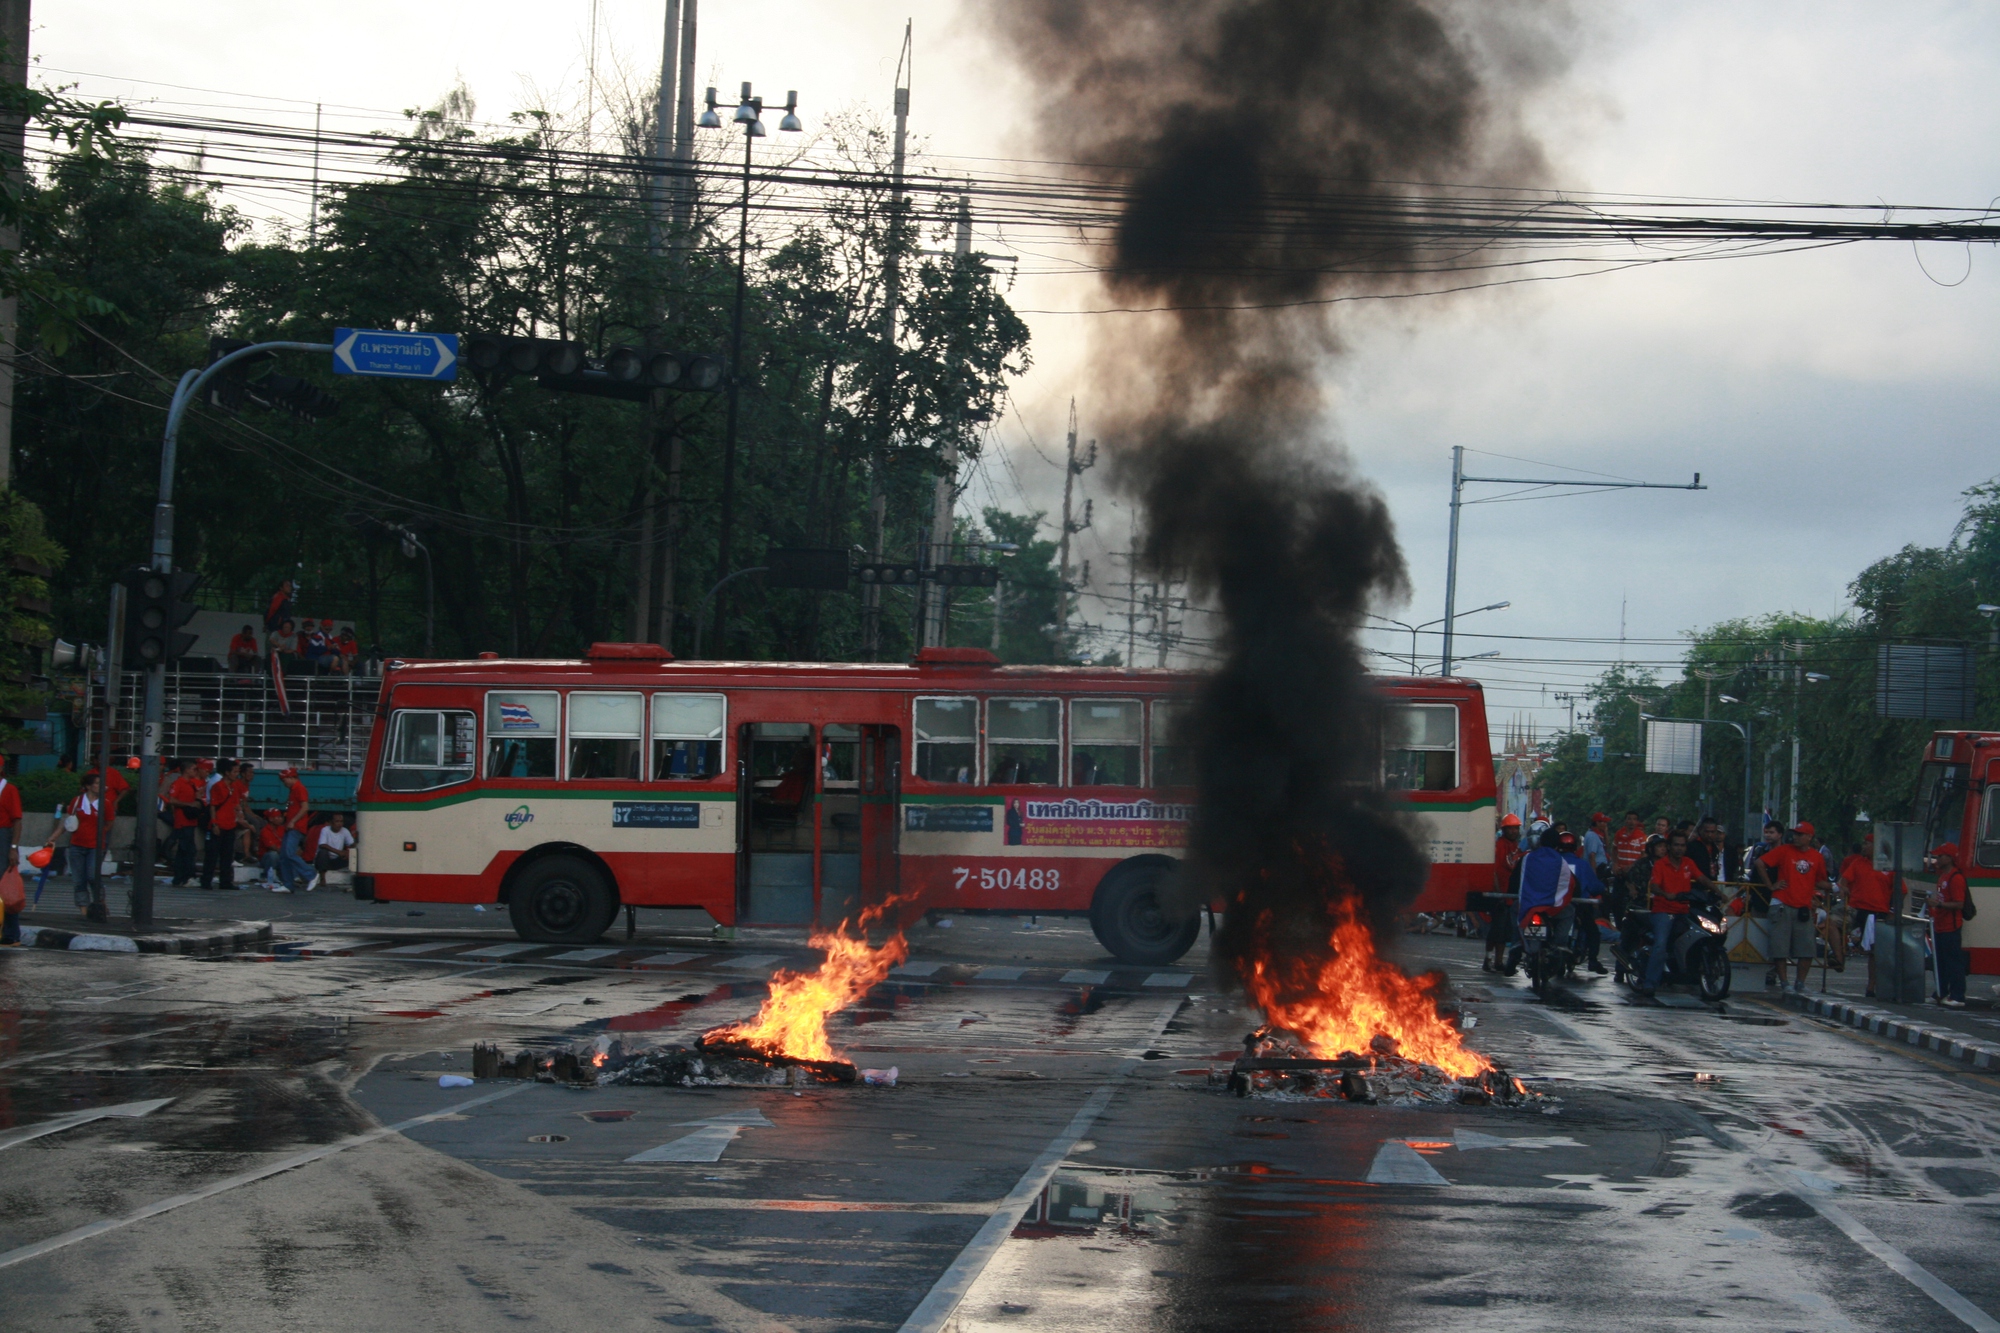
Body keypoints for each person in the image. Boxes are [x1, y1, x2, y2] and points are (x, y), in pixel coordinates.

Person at [1757, 822, 1831, 995]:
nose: (1796, 837)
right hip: (1782, 903)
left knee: (1807, 948)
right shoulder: (1784, 850)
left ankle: (1800, 982)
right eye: (1795, 834)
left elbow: (1819, 881)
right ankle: (1784, 982)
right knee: (1779, 948)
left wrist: (1833, 887)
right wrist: (1770, 885)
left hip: (1803, 906)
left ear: (1809, 837)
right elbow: (1760, 863)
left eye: (1800, 834)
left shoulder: (1816, 857)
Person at [1641, 829, 1716, 996]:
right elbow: (1653, 885)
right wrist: (1665, 894)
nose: (1679, 848)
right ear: (1669, 846)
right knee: (1660, 945)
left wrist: (1717, 891)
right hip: (1663, 911)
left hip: (1684, 910)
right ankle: (1650, 982)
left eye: (1682, 845)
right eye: (1676, 845)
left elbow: (1702, 878)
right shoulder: (1661, 865)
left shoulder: (1688, 863)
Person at [1840, 840, 1892, 998]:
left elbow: (1900, 890)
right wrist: (1845, 894)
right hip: (1857, 910)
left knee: (1875, 951)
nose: (1864, 847)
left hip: (1878, 912)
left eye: (1868, 844)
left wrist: (1893, 910)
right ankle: (1838, 955)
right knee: (1834, 924)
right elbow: (1843, 882)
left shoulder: (1888, 867)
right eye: (1863, 843)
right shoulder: (1858, 863)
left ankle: (1872, 985)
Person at [51, 771, 105, 922]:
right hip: (77, 845)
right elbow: (68, 822)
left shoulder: (104, 803)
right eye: (97, 783)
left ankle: (100, 902)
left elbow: (109, 823)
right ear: (88, 786)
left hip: (95, 846)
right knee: (78, 879)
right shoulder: (77, 802)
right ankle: (83, 909)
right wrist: (53, 837)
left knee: (92, 876)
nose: (100, 787)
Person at [1486, 813, 1526, 973]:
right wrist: (1497, 892)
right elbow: (1493, 871)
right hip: (1500, 895)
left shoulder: (1517, 847)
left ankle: (1498, 962)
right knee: (1496, 930)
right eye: (1511, 828)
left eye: (1516, 828)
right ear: (1504, 829)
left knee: (1505, 932)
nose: (1514, 831)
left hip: (1512, 896)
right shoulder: (1499, 846)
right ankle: (1488, 959)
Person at [1931, 843, 1969, 1008]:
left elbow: (1959, 904)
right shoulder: (1943, 877)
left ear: (1950, 858)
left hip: (1951, 926)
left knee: (1953, 962)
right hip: (1940, 925)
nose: (1937, 859)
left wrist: (1938, 905)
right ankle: (1941, 992)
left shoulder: (1955, 878)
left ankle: (1958, 995)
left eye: (1940, 856)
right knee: (1940, 962)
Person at [1571, 825, 1610, 974]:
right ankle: (1592, 961)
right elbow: (1595, 886)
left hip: (1556, 905)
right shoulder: (1582, 865)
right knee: (1593, 932)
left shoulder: (1553, 861)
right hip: (1579, 906)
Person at [205, 759, 247, 891]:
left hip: (230, 825)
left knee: (227, 855)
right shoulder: (218, 786)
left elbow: (236, 804)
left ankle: (225, 881)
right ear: (227, 773)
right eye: (234, 772)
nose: (237, 774)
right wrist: (215, 824)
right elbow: (213, 807)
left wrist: (239, 815)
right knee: (212, 855)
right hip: (220, 824)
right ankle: (206, 881)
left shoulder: (234, 787)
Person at [164, 758, 204, 887]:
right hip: (182, 821)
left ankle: (179, 878)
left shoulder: (191, 784)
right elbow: (172, 800)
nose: (195, 771)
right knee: (188, 850)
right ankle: (187, 877)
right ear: (186, 770)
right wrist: (189, 804)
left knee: (183, 851)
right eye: (193, 769)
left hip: (190, 821)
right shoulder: (178, 783)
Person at [277, 766, 313, 890]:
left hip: (296, 827)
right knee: (284, 856)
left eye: (284, 779)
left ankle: (310, 874)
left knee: (289, 853)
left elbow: (305, 808)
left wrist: (293, 821)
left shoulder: (299, 789)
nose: (284, 782)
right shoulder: (293, 790)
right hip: (291, 826)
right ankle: (288, 884)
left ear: (291, 777)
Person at [311, 811, 355, 888]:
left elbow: (352, 844)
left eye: (341, 821)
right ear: (331, 822)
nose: (339, 824)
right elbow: (322, 845)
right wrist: (339, 852)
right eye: (337, 821)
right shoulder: (325, 830)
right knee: (323, 852)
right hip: (324, 860)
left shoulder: (345, 831)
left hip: (336, 861)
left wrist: (348, 852)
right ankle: (322, 878)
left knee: (352, 854)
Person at [256, 808, 289, 889]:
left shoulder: (282, 829)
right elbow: (272, 847)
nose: (281, 819)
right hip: (266, 859)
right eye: (278, 817)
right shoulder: (265, 830)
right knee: (273, 855)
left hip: (280, 855)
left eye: (280, 817)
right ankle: (265, 876)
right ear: (271, 819)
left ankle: (290, 878)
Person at [0, 764, 22, 879]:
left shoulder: (9, 790)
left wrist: (13, 848)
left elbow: (17, 821)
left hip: (3, 836)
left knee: (2, 873)